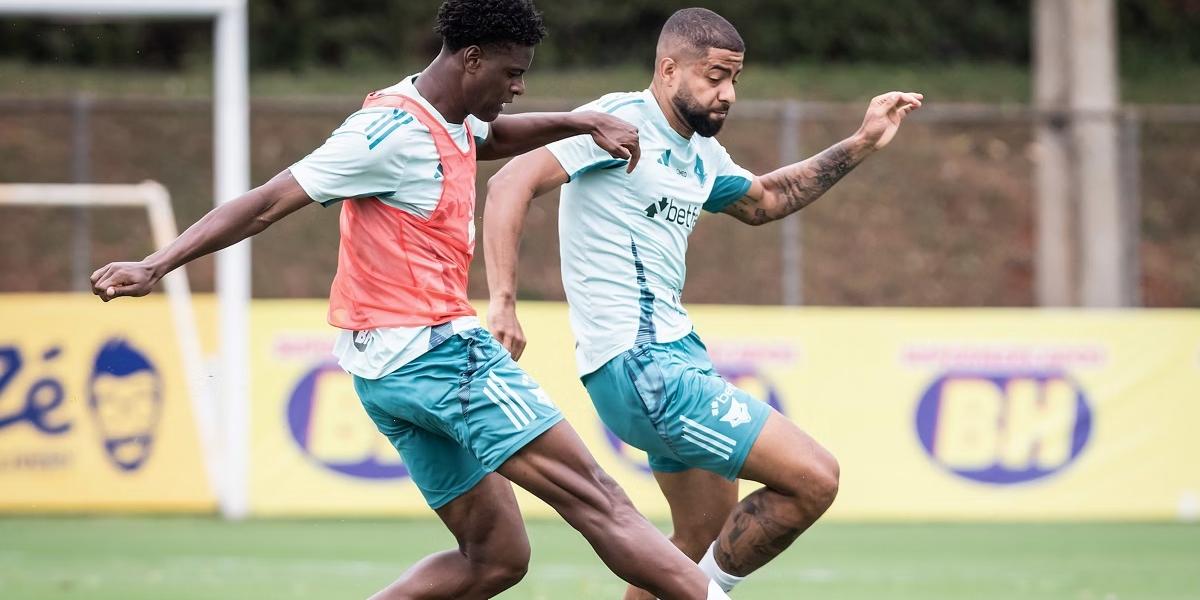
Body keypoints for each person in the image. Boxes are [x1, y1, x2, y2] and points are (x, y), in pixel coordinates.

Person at [90, 1, 734, 598]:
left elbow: (490, 139)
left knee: (495, 556)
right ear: (471, 59)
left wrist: (578, 120)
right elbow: (264, 203)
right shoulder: (388, 131)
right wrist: (155, 264)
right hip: (439, 356)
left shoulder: (447, 119)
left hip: (384, 373)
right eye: (512, 74)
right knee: (599, 500)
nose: (518, 88)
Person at [484, 7, 922, 598]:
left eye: (735, 79)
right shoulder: (619, 121)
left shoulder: (698, 152)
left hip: (674, 358)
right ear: (669, 69)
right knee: (815, 479)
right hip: (641, 365)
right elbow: (510, 181)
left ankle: (697, 589)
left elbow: (766, 198)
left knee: (700, 537)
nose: (728, 94)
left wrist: (863, 141)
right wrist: (504, 301)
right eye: (714, 77)